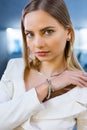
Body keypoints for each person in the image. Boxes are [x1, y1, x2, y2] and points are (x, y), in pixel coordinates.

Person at [0, 0, 87, 130]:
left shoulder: (82, 86)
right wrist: (47, 87)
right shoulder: (15, 67)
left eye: (48, 32)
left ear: (68, 33)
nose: (37, 44)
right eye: (30, 34)